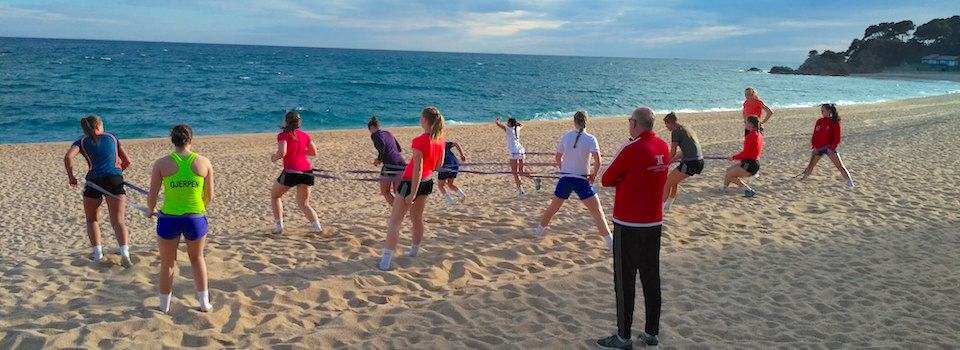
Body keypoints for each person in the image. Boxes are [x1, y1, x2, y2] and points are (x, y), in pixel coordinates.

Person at [596, 107, 670, 349]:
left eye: (630, 121)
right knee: (651, 278)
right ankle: (651, 332)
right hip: (653, 222)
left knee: (624, 281)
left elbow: (606, 179)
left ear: (636, 124)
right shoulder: (663, 146)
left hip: (629, 223)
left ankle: (623, 337)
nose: (629, 124)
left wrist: (623, 178)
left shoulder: (632, 148)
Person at [146, 124, 214, 313]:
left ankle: (164, 307)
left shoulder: (161, 163)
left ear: (173, 141)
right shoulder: (204, 162)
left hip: (169, 218)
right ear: (190, 140)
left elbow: (152, 196)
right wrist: (196, 206)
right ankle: (204, 303)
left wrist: (150, 210)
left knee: (168, 263)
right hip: (195, 218)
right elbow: (209, 196)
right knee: (197, 258)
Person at [533, 111, 614, 252]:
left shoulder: (567, 136)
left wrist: (564, 169)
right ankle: (611, 244)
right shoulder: (590, 139)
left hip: (566, 179)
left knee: (553, 208)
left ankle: (538, 232)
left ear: (574, 121)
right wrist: (594, 175)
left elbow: (558, 157)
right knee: (597, 212)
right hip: (581, 179)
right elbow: (598, 161)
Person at [379, 107, 446, 270]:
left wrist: (412, 195)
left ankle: (386, 260)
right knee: (417, 219)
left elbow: (417, 169)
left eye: (421, 117)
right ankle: (414, 250)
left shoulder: (419, 141)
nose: (419, 119)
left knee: (395, 221)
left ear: (425, 120)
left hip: (412, 183)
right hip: (427, 181)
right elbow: (439, 165)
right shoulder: (440, 139)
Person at [62, 114, 133, 267]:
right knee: (118, 221)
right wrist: (118, 171)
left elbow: (68, 158)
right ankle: (124, 252)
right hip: (114, 179)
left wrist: (71, 177)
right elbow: (127, 161)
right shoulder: (112, 138)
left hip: (94, 181)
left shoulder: (81, 141)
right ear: (99, 126)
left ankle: (97, 254)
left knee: (92, 219)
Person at [269, 111, 321, 234]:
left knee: (275, 195)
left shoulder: (283, 135)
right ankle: (317, 227)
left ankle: (279, 226)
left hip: (291, 172)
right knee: (304, 204)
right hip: (306, 171)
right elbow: (314, 152)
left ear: (286, 121)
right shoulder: (304, 135)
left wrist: (274, 158)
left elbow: (282, 152)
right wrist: (301, 152)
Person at [800, 103, 855, 188]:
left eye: (823, 111)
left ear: (829, 111)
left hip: (829, 148)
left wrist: (832, 148)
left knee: (839, 166)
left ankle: (850, 182)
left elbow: (837, 137)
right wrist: (814, 146)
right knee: (811, 165)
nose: (821, 112)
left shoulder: (835, 122)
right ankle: (804, 179)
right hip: (818, 148)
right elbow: (814, 135)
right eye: (821, 111)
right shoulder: (819, 121)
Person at [661, 112, 704, 211]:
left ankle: (660, 209)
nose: (666, 127)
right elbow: (682, 153)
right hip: (699, 161)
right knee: (674, 181)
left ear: (670, 122)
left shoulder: (675, 131)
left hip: (690, 163)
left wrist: (666, 161)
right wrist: (670, 162)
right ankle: (667, 206)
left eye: (666, 124)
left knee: (666, 183)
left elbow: (672, 152)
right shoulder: (686, 130)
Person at [494, 115, 541, 195]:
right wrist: (512, 119)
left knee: (515, 172)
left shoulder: (509, 130)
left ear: (509, 123)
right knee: (521, 171)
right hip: (521, 150)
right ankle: (534, 179)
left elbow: (498, 124)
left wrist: (497, 120)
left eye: (508, 122)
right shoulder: (517, 129)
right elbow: (521, 124)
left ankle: (521, 191)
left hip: (514, 151)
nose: (506, 123)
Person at [722, 115, 764, 197]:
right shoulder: (759, 135)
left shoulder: (750, 136)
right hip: (751, 162)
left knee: (729, 175)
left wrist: (733, 157)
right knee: (728, 170)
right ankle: (724, 188)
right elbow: (749, 153)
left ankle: (748, 189)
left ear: (750, 124)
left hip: (750, 164)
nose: (744, 124)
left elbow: (745, 153)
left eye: (746, 122)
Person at [368, 116, 407, 205]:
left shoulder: (375, 135)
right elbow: (399, 149)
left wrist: (379, 159)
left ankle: (397, 211)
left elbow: (382, 146)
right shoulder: (388, 133)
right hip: (400, 162)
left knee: (385, 191)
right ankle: (402, 211)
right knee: (398, 192)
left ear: (370, 128)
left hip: (390, 165)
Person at [437, 140, 467, 205]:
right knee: (450, 184)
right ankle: (462, 194)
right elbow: (456, 143)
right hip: (455, 163)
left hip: (446, 165)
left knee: (440, 185)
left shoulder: (434, 146)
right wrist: (462, 154)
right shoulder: (443, 143)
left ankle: (451, 202)